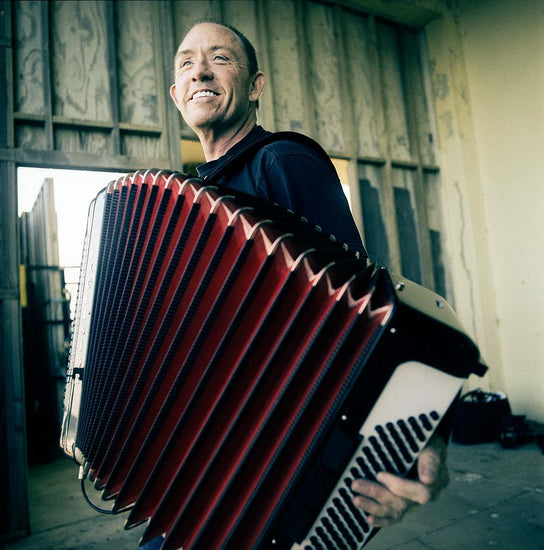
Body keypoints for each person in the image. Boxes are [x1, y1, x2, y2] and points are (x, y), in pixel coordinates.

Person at [142, 20, 450, 547]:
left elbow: (364, 308)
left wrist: (420, 436)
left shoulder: (281, 162)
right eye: (186, 62)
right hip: (206, 454)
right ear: (176, 94)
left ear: (256, 85)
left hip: (275, 457)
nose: (201, 71)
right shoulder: (192, 199)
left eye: (221, 58)